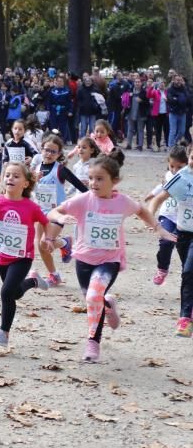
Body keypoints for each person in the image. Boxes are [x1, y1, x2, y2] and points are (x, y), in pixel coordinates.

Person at [46, 155, 172, 362]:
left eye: (100, 179)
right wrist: (60, 218)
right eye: (91, 178)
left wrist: (158, 228)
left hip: (109, 261)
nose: (93, 183)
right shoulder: (83, 200)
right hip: (84, 260)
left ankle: (92, 342)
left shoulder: (123, 202)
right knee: (93, 298)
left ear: (114, 181)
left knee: (93, 295)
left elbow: (141, 211)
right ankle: (108, 304)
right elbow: (54, 212)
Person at [0, 162, 53, 348]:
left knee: (6, 292)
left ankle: (3, 334)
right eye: (7, 175)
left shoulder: (31, 206)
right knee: (14, 293)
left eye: (16, 176)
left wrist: (47, 238)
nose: (10, 179)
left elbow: (45, 222)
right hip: (1, 255)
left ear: (25, 183)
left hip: (23, 257)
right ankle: (33, 282)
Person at [30, 134, 89, 286]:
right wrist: (32, 181)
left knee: (44, 243)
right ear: (41, 149)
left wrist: (97, 199)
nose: (49, 154)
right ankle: (54, 274)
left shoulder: (60, 170)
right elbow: (27, 189)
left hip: (57, 213)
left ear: (59, 154)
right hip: (39, 213)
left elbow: (81, 187)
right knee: (40, 246)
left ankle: (63, 243)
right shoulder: (35, 169)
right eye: (46, 150)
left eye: (53, 152)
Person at [148, 143, 193, 336]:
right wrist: (154, 224)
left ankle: (184, 320)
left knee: (189, 272)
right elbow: (157, 200)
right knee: (188, 273)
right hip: (183, 233)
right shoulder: (182, 178)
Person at [147, 145, 186, 285]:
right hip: (168, 214)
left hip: (184, 219)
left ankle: (187, 274)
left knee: (184, 249)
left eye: (179, 167)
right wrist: (151, 195)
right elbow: (161, 189)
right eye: (172, 166)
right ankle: (162, 268)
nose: (175, 171)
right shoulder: (169, 176)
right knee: (166, 241)